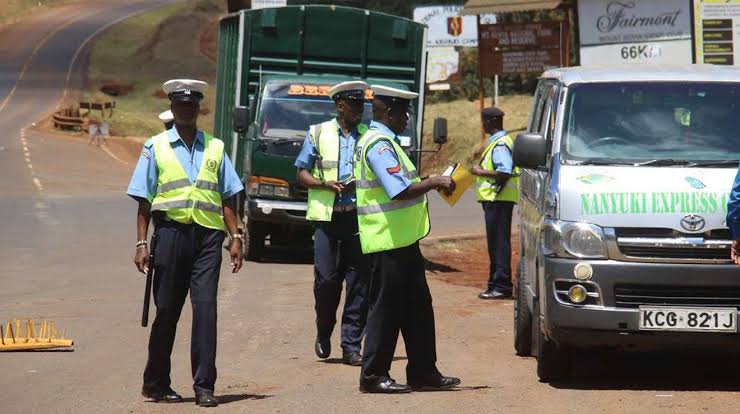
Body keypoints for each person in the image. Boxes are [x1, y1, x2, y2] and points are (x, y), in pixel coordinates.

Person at [126, 79, 244, 408]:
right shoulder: (155, 147)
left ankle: (204, 386)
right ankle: (156, 383)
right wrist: (141, 242)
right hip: (170, 236)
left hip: (208, 239)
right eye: (181, 105)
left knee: (206, 312)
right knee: (167, 312)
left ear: (198, 109)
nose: (186, 110)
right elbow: (144, 201)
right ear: (173, 109)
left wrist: (235, 236)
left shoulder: (216, 148)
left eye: (192, 105)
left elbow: (228, 196)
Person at [356, 84, 460, 394]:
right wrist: (434, 181)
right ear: (387, 112)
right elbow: (398, 190)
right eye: (402, 112)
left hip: (403, 241)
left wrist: (430, 183)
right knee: (385, 311)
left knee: (418, 308)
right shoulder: (379, 144)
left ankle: (423, 371)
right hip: (386, 241)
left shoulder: (387, 141)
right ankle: (373, 376)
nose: (406, 118)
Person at [295, 81, 369, 366]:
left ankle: (351, 346)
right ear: (341, 107)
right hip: (327, 220)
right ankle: (323, 330)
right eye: (355, 105)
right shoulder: (318, 133)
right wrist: (323, 184)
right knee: (326, 282)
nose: (361, 111)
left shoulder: (369, 135)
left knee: (359, 284)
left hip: (359, 219)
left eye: (363, 105)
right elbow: (301, 172)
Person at [471, 107, 520, 300]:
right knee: (496, 243)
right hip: (496, 200)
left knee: (499, 244)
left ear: (490, 122)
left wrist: (480, 171)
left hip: (497, 200)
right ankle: (495, 284)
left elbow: (505, 171)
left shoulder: (500, 145)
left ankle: (502, 285)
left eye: (484, 121)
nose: (482, 125)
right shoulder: (501, 142)